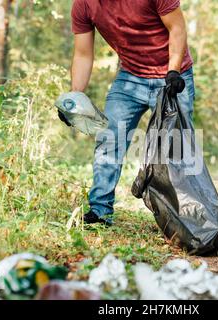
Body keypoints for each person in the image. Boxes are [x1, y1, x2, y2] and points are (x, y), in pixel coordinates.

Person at [59, 0, 195, 225]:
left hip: (173, 74)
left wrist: (173, 71)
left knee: (177, 147)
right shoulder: (83, 5)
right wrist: (75, 97)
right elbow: (83, 55)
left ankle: (188, 215)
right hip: (130, 77)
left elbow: (177, 28)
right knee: (109, 139)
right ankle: (100, 211)